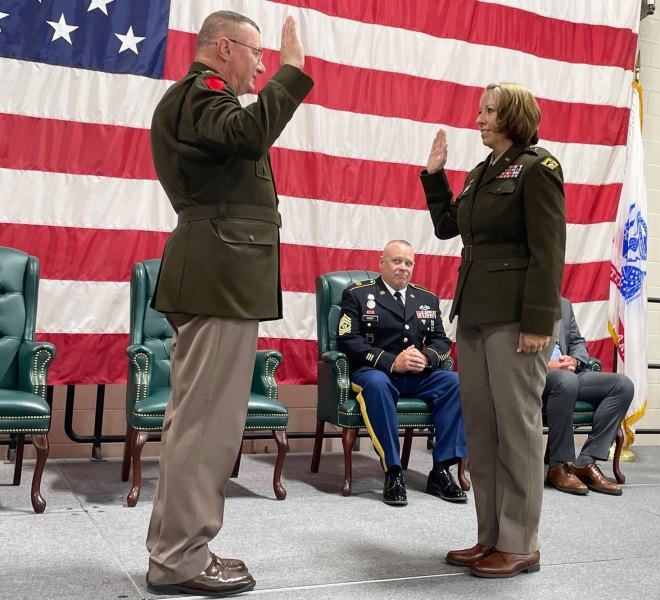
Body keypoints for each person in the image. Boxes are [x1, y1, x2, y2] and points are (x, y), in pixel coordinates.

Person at [145, 11, 313, 597]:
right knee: (207, 425)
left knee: (198, 421)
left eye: (271, 59)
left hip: (219, 271)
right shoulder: (201, 94)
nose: (263, 66)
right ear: (224, 48)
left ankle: (176, 549)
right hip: (219, 272)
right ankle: (180, 560)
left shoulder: (201, 101)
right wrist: (293, 71)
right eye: (257, 55)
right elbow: (247, 136)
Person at [421, 83, 566, 578]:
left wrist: (538, 322)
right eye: (480, 110)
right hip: (476, 314)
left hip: (513, 319)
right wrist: (435, 176)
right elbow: (448, 228)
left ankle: (521, 541)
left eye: (488, 111)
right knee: (482, 431)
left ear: (514, 116)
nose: (479, 118)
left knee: (519, 431)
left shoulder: (538, 169)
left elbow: (548, 251)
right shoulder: (483, 172)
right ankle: (491, 537)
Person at [336, 240, 468, 507]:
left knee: (455, 383)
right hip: (375, 372)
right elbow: (348, 339)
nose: (403, 268)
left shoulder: (426, 298)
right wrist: (391, 362)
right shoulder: (358, 294)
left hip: (416, 374)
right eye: (396, 261)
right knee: (377, 385)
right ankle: (393, 471)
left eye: (408, 263)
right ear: (381, 263)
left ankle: (441, 470)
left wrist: (427, 357)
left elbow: (441, 341)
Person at [544, 297, 634, 496]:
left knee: (622, 385)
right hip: (536, 374)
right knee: (566, 381)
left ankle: (585, 461)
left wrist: (575, 361)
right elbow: (509, 347)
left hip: (568, 373)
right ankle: (557, 466)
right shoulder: (519, 300)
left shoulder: (563, 304)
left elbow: (577, 341)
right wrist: (545, 364)